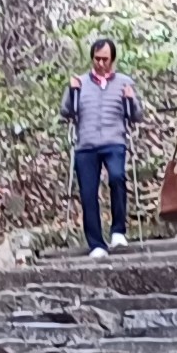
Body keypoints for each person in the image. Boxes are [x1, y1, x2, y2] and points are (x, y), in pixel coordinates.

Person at [63, 37, 143, 256]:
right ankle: (96, 244)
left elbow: (136, 115)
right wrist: (72, 91)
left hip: (114, 141)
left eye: (105, 59)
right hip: (86, 145)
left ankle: (118, 231)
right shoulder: (80, 82)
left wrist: (131, 99)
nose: (100, 63)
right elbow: (67, 112)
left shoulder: (124, 82)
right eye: (97, 59)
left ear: (112, 60)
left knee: (117, 177)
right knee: (88, 193)